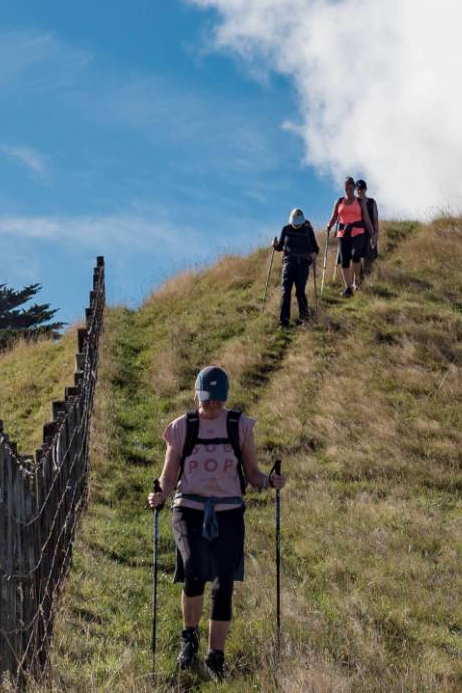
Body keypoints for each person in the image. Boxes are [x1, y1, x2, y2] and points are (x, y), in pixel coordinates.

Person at [146, 366, 287, 680]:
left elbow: (251, 474)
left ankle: (215, 657)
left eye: (218, 401)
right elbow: (168, 476)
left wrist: (269, 481)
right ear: (197, 394)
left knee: (224, 585)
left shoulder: (239, 425)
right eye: (207, 400)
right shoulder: (182, 427)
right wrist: (159, 495)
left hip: (229, 511)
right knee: (194, 569)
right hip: (189, 508)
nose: (212, 406)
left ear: (225, 397)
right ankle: (189, 641)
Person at [272, 208, 319, 327]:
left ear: (302, 221)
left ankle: (304, 318)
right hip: (288, 263)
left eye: (298, 223)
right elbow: (280, 247)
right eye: (295, 223)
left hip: (303, 264)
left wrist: (314, 253)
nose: (296, 226)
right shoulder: (286, 229)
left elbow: (315, 247)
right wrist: (275, 245)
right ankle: (284, 321)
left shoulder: (308, 230)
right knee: (285, 291)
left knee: (300, 292)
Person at [324, 176, 370, 297]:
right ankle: (348, 287)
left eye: (350, 188)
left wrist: (372, 232)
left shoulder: (360, 202)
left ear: (354, 188)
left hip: (358, 231)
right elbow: (334, 217)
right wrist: (329, 225)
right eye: (346, 188)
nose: (348, 190)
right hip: (343, 233)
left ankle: (356, 280)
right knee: (344, 259)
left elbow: (366, 218)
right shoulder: (339, 201)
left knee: (355, 255)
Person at [355, 179, 381, 278]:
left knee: (369, 256)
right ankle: (358, 278)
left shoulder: (371, 202)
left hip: (369, 232)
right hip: (358, 232)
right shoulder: (355, 202)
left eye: (361, 188)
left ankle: (367, 277)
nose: (359, 191)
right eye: (358, 189)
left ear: (365, 189)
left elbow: (375, 218)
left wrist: (376, 233)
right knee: (356, 256)